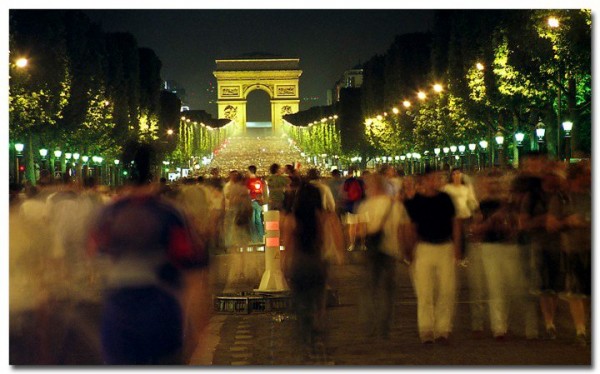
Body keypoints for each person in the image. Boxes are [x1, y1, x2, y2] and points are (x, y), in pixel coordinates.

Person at [87, 191, 207, 364]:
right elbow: (192, 273)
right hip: (161, 309)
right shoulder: (170, 213)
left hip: (119, 309)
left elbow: (93, 256)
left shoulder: (109, 213)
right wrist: (195, 327)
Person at [404, 167, 460, 344]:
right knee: (425, 291)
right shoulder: (416, 202)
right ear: (424, 180)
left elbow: (455, 223)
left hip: (445, 246)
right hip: (424, 246)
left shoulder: (446, 199)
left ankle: (443, 329)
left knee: (446, 290)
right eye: (433, 178)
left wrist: (457, 247)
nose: (437, 181)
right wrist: (410, 249)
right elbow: (411, 227)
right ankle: (426, 329)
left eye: (439, 178)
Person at [356, 173, 409, 338]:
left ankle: (369, 324)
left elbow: (359, 230)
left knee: (369, 288)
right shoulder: (395, 205)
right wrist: (404, 250)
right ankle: (384, 327)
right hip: (390, 250)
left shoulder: (364, 206)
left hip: (371, 250)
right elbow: (402, 229)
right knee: (388, 291)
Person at [281, 182, 330, 353]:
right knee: (318, 301)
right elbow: (324, 240)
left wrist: (283, 267)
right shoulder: (321, 217)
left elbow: (286, 246)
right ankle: (318, 335)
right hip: (316, 262)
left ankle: (305, 337)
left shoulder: (291, 219)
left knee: (301, 302)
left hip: (299, 263)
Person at [559, 161, 591, 346]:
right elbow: (553, 222)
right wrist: (568, 222)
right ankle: (580, 329)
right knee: (577, 292)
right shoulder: (565, 197)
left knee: (588, 293)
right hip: (573, 248)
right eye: (587, 173)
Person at [246, 165, 265, 244]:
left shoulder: (248, 181)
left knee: (252, 221)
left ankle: (254, 239)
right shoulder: (260, 181)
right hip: (259, 201)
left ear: (250, 171)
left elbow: (247, 192)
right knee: (259, 220)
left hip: (252, 201)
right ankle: (261, 237)